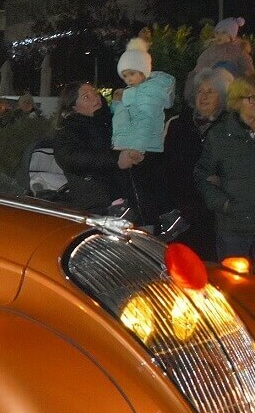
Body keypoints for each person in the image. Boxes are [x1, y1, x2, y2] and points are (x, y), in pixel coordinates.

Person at [164, 68, 233, 260]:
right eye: (200, 91)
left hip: (217, 212)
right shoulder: (178, 125)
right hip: (183, 210)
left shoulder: (231, 128)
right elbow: (167, 166)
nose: (203, 96)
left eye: (210, 91)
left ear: (223, 96)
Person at [111, 37, 176, 228]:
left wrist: (137, 149)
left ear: (144, 71)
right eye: (125, 76)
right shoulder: (136, 91)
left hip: (141, 149)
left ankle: (149, 227)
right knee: (138, 193)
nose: (129, 80)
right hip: (133, 147)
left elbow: (145, 122)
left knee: (142, 195)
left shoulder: (148, 93)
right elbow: (126, 117)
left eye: (132, 74)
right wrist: (117, 103)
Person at [54, 82, 143, 213]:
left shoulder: (109, 122)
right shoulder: (67, 130)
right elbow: (72, 158)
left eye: (95, 93)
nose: (95, 98)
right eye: (86, 97)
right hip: (97, 201)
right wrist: (116, 160)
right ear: (74, 107)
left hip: (127, 194)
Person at [194, 73, 255, 262]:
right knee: (232, 277)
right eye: (251, 98)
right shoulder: (220, 135)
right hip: (233, 228)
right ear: (238, 101)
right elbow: (202, 175)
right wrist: (223, 204)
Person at [185, 18, 254, 93]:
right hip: (213, 86)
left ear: (231, 36)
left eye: (223, 32)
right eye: (217, 32)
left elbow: (247, 67)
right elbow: (200, 66)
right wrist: (194, 80)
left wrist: (249, 77)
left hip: (233, 87)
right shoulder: (210, 51)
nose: (219, 35)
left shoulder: (238, 51)